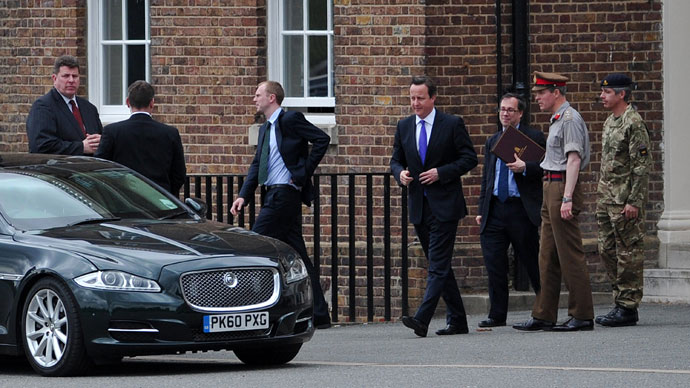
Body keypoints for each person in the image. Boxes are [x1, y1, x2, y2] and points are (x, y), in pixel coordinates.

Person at [230, 81, 331, 329]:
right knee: (300, 256)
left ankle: (241, 307)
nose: (254, 99)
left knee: (254, 245)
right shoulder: (265, 128)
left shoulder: (291, 120)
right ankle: (320, 314)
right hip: (271, 193)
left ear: (272, 98)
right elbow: (257, 164)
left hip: (285, 194)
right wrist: (244, 194)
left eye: (258, 95)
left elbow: (322, 139)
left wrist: (303, 172)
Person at [391, 76, 478, 337]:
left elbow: (469, 158)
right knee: (439, 264)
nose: (415, 103)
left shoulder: (451, 124)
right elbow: (396, 160)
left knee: (437, 266)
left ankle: (422, 318)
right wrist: (400, 175)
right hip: (419, 205)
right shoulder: (404, 126)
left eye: (420, 98)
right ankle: (459, 320)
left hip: (445, 205)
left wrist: (442, 172)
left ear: (433, 98)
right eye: (412, 98)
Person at [513, 71, 594, 332]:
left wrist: (568, 197)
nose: (536, 98)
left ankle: (581, 313)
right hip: (551, 184)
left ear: (556, 92)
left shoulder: (569, 119)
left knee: (569, 253)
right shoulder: (557, 119)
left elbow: (574, 160)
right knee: (546, 254)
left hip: (561, 185)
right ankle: (544, 314)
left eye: (541, 93)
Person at [475, 93, 544, 328]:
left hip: (520, 209)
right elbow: (487, 177)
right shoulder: (492, 140)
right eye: (502, 110)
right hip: (495, 209)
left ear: (520, 113)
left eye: (510, 110)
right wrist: (481, 208)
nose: (505, 114)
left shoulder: (534, 137)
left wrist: (525, 167)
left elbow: (545, 168)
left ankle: (545, 308)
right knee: (494, 262)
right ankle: (497, 314)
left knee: (532, 260)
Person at [595, 73, 651, 327]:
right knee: (606, 249)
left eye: (607, 92)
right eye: (602, 92)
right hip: (607, 199)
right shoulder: (610, 121)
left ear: (622, 94)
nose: (602, 96)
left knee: (628, 251)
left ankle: (628, 306)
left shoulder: (634, 123)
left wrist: (634, 201)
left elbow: (641, 165)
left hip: (625, 200)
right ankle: (619, 299)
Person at [95, 80, 186, 195]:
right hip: (160, 200)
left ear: (128, 102)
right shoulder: (170, 133)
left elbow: (100, 168)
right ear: (152, 103)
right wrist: (167, 195)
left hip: (124, 200)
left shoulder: (112, 131)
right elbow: (179, 174)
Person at [26, 55, 103, 155]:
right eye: (66, 76)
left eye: (75, 76)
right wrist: (81, 147)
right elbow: (41, 146)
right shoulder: (43, 107)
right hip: (59, 169)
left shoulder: (89, 108)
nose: (71, 80)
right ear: (54, 78)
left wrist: (102, 141)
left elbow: (100, 139)